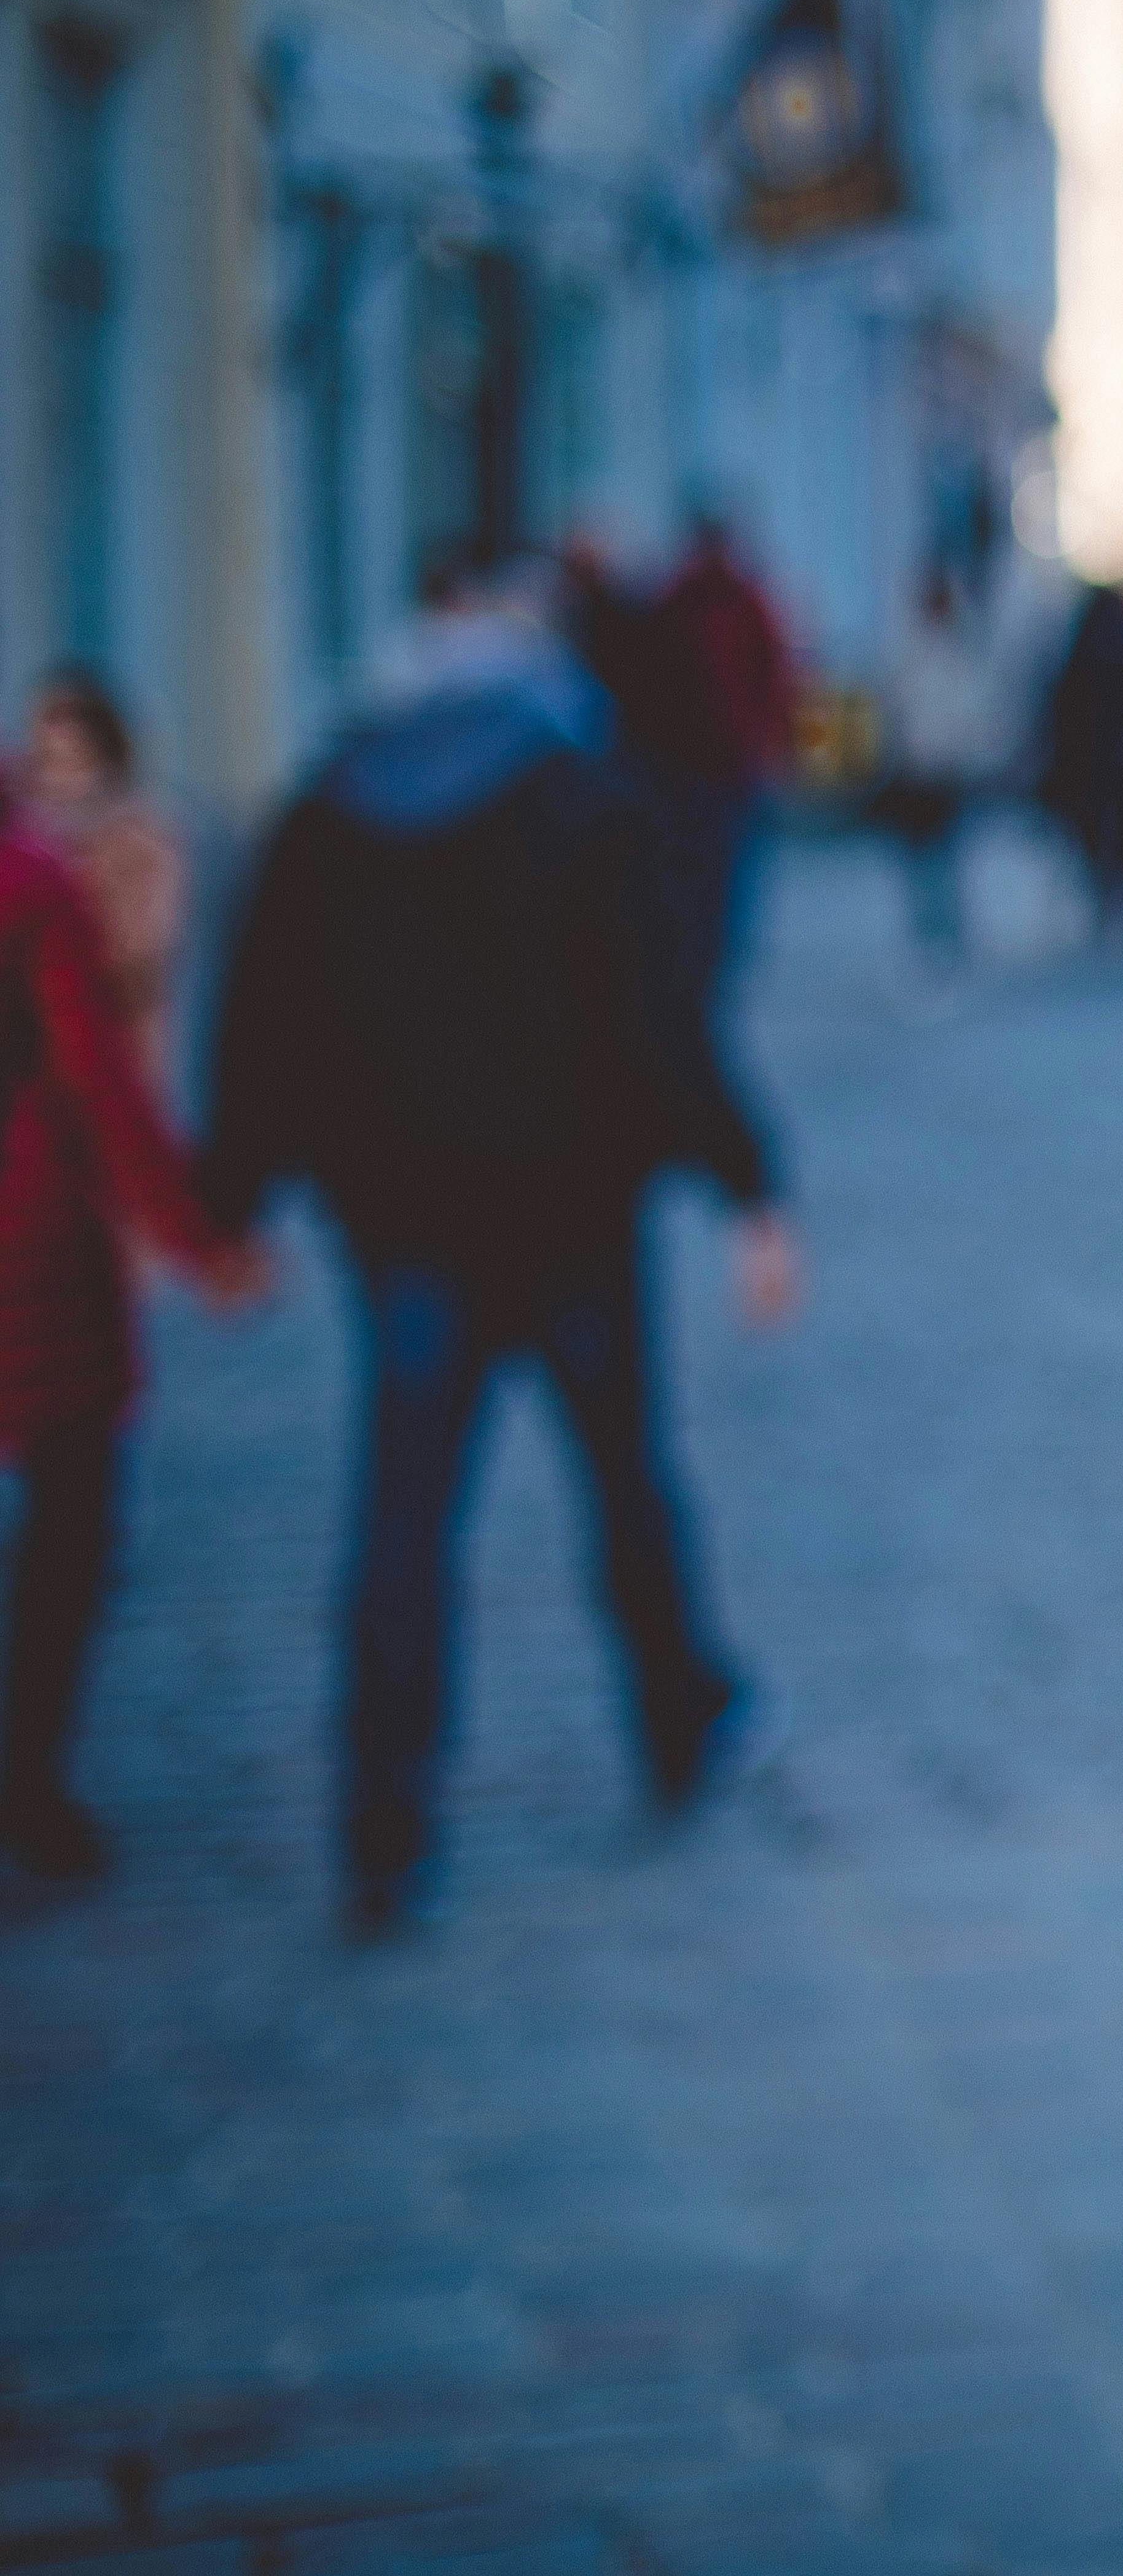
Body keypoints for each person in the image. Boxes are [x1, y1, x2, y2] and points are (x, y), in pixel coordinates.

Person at [198, 553, 802, 1938]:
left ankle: (384, 1814)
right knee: (623, 1481)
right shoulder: (583, 802)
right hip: (569, 1218)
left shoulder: (333, 807)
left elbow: (266, 1012)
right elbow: (662, 1022)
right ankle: (678, 1714)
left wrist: (232, 1200)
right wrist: (749, 1186)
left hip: (407, 1222)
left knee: (406, 1507)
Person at [0, 743, 266, 1879]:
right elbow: (95, 1075)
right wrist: (197, 1236)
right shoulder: (30, 880)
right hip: (31, 1242)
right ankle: (27, 1782)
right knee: (71, 1523)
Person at [646, 503, 802, 1011]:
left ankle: (712, 950)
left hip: (719, 759)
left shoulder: (705, 599)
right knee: (719, 861)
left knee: (721, 861)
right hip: (712, 759)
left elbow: (775, 673)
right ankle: (712, 949)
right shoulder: (700, 599)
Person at [15, 671, 189, 1087]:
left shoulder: (140, 842)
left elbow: (138, 955)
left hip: (114, 1059)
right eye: (47, 762)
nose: (58, 781)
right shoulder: (31, 843)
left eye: (71, 760)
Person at [873, 566, 1001, 978]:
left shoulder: (960, 653)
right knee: (922, 859)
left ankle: (949, 933)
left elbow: (973, 714)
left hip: (947, 773)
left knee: (947, 856)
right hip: (917, 773)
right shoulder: (910, 653)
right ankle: (929, 933)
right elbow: (894, 710)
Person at [1038, 581, 1123, 952]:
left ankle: (1117, 903)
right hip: (1121, 762)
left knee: (1113, 836)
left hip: (1113, 763)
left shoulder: (1098, 647)